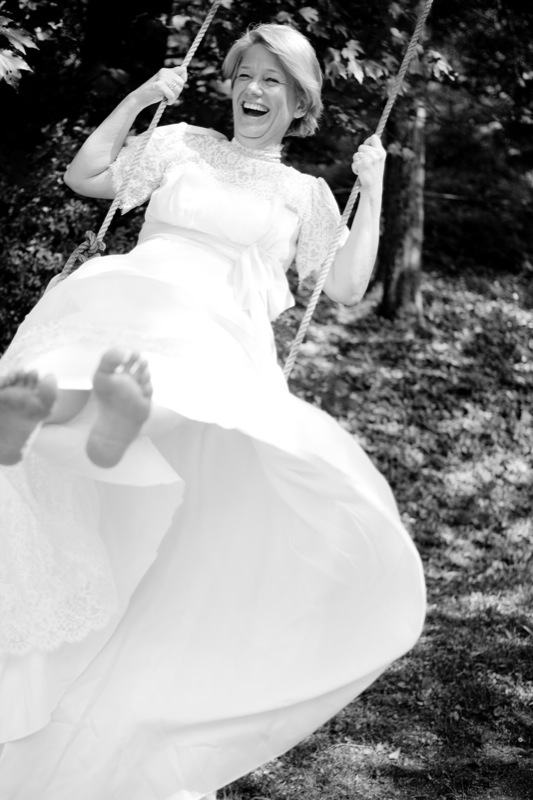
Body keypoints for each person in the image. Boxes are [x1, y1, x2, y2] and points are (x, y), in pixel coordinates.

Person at [0, 23, 425, 800]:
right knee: (60, 381)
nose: (253, 91)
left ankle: (103, 446)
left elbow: (344, 286)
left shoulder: (304, 194)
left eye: (273, 82)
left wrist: (372, 187)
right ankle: (70, 448)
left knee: (166, 500)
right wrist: (141, 98)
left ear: (299, 102)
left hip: (214, 341)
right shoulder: (181, 145)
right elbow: (85, 175)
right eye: (245, 76)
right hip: (130, 303)